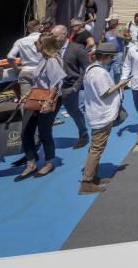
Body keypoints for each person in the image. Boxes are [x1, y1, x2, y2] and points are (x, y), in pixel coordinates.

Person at [15, 33, 66, 182]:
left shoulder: (52, 60)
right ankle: (30, 163)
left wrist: (49, 102)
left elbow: (55, 84)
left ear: (44, 45)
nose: (35, 44)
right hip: (37, 97)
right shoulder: (43, 59)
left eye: (37, 42)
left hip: (49, 99)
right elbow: (38, 82)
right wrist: (28, 94)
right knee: (26, 131)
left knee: (44, 132)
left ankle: (49, 162)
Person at [79, 42, 123, 195]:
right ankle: (87, 182)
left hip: (96, 113)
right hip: (101, 114)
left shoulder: (91, 69)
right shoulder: (99, 73)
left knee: (95, 147)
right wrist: (121, 84)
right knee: (96, 148)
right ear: (105, 56)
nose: (111, 59)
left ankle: (92, 177)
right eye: (110, 57)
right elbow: (105, 92)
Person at [57, 24, 90, 149]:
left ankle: (83, 134)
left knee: (74, 112)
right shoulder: (52, 48)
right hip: (55, 87)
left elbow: (86, 68)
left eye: (55, 36)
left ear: (64, 34)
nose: (53, 38)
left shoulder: (77, 48)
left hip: (70, 87)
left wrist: (76, 87)